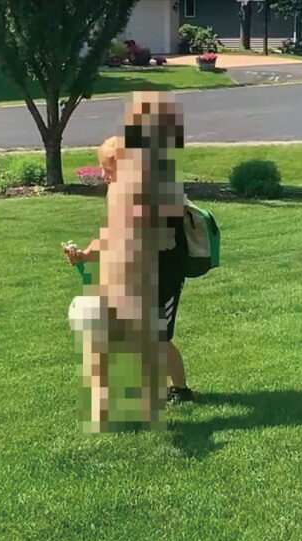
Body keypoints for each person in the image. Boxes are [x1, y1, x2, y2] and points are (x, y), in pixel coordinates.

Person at [63, 135, 200, 407]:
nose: (103, 175)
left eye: (109, 170)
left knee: (158, 336)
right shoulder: (120, 191)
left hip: (164, 274)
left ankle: (180, 390)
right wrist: (86, 255)